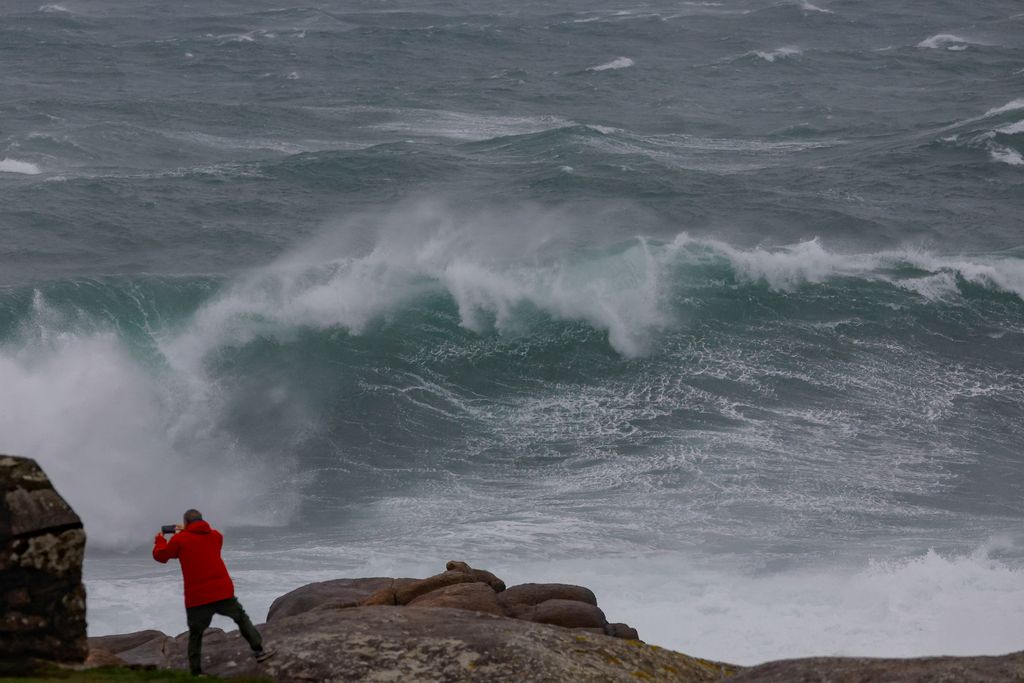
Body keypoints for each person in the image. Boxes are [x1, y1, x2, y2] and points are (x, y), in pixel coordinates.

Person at [153, 509, 275, 676]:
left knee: (196, 634)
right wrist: (189, 530)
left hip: (198, 597)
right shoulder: (216, 536)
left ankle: (196, 673)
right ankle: (259, 651)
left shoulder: (179, 539)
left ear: (186, 523)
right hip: (222, 592)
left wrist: (160, 541)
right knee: (241, 618)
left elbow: (162, 556)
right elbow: (203, 537)